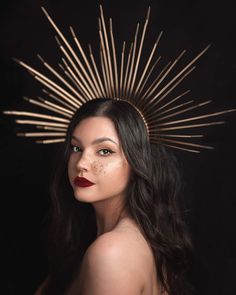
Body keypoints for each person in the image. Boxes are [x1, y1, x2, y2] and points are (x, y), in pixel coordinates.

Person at [34, 98, 192, 295]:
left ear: (137, 163)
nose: (82, 163)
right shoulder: (128, 239)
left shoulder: (111, 254)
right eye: (76, 148)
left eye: (104, 151)